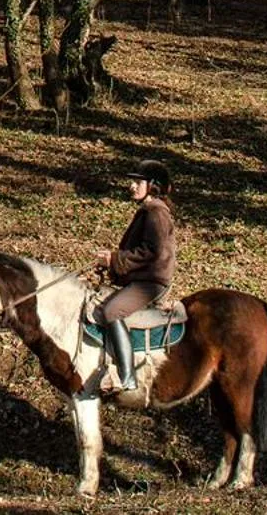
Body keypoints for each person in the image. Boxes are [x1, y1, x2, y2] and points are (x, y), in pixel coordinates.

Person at [92, 158, 177, 392]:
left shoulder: (156, 212)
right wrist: (112, 262)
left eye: (138, 182)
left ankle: (126, 376)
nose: (132, 186)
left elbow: (152, 251)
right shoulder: (149, 211)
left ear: (153, 185)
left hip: (151, 282)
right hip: (145, 278)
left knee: (111, 311)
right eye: (133, 182)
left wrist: (114, 259)